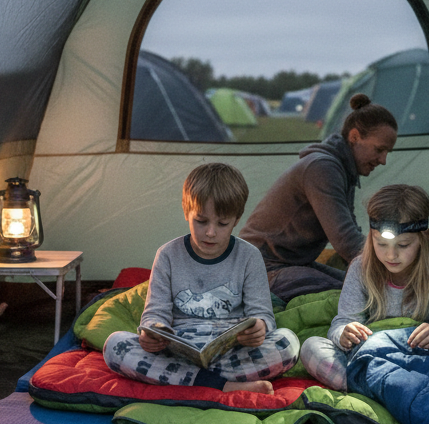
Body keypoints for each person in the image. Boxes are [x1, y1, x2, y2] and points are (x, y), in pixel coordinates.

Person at [103, 163, 300, 394]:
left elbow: (263, 314)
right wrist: (152, 332)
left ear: (236, 219)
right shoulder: (167, 255)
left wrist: (259, 327)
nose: (210, 232)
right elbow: (156, 312)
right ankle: (225, 385)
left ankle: (191, 380)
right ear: (186, 212)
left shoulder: (249, 256)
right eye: (201, 221)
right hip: (179, 349)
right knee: (115, 345)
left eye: (222, 223)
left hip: (230, 349)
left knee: (288, 343)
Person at [300, 183, 429, 390]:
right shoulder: (361, 268)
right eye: (381, 244)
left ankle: (374, 387)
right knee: (311, 347)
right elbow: (342, 323)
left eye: (403, 245)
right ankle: (419, 388)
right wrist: (344, 332)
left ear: (425, 238)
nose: (391, 255)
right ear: (371, 237)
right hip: (375, 358)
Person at [240, 93, 398, 302]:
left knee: (359, 287)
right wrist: (394, 263)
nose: (383, 160)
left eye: (387, 152)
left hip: (294, 264)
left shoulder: (342, 169)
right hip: (259, 267)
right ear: (354, 137)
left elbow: (351, 234)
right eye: (379, 149)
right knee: (353, 296)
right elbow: (346, 241)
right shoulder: (322, 169)